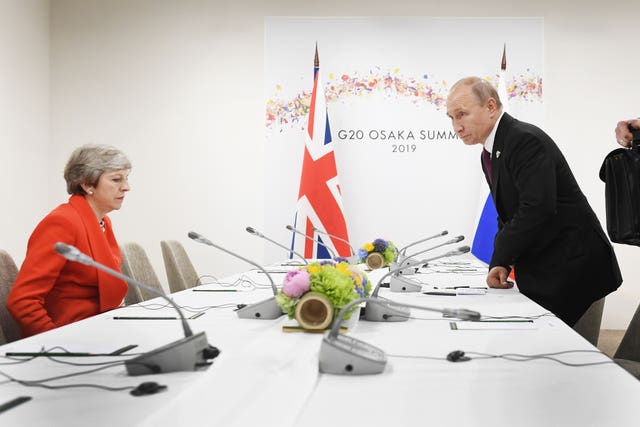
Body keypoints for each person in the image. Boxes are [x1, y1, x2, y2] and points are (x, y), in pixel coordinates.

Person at [446, 76, 622, 326]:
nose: (456, 126)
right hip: (552, 269)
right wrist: (501, 262)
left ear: (491, 107)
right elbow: (508, 212)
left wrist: (502, 252)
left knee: (571, 360)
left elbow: (537, 208)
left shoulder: (523, 140)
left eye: (462, 114)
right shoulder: (491, 151)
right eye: (451, 117)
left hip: (576, 269)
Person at [7, 144, 132, 337]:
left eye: (126, 178)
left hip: (101, 329)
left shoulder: (102, 221)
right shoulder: (62, 222)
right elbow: (22, 300)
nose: (126, 187)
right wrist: (55, 342)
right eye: (116, 179)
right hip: (72, 339)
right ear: (87, 184)